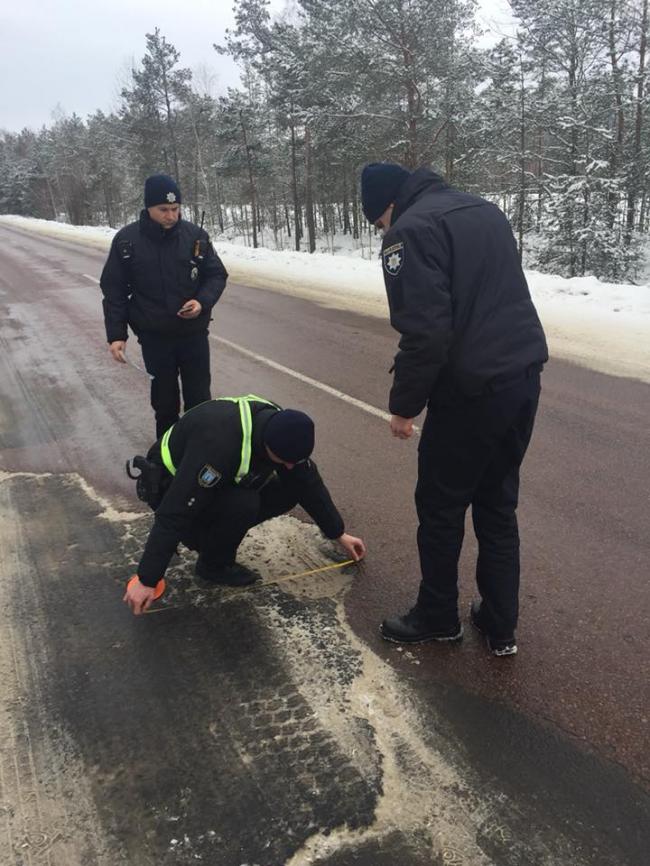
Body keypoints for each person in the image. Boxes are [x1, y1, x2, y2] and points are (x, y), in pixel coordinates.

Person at [360, 162, 548, 656]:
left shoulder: (408, 232)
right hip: (523, 376)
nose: (382, 230)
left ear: (388, 206)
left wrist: (404, 407)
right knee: (497, 503)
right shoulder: (484, 210)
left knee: (441, 507)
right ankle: (500, 623)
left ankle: (438, 616)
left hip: (470, 391)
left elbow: (425, 331)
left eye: (378, 222)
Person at [123, 394, 366, 615]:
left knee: (290, 487)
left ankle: (215, 538)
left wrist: (338, 533)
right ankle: (212, 563)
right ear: (268, 444)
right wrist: (147, 579)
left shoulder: (278, 426)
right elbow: (174, 512)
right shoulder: (217, 449)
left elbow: (307, 482)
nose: (290, 465)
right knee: (243, 503)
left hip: (213, 479)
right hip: (170, 486)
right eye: (285, 460)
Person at [100, 174, 228, 438]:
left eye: (175, 208)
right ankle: (167, 453)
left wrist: (201, 302)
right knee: (165, 403)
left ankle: (199, 452)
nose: (171, 215)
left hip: (193, 335)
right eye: (163, 209)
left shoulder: (195, 237)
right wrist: (116, 335)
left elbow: (216, 275)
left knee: (200, 401)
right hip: (155, 338)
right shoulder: (127, 241)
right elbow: (114, 290)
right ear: (148, 207)